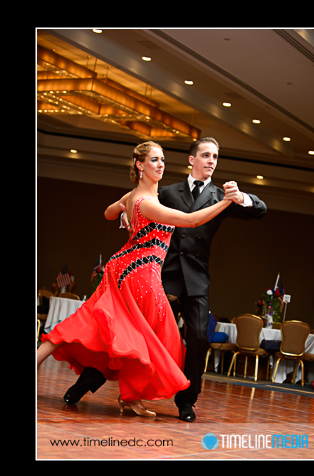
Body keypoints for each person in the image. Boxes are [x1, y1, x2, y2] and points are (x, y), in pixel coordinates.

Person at [59, 137, 268, 422]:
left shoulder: (222, 196)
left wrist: (241, 197)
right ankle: (82, 387)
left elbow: (260, 210)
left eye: (215, 157)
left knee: (197, 340)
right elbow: (133, 205)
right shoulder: (165, 192)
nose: (211, 161)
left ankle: (186, 403)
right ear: (191, 159)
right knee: (128, 334)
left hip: (196, 282)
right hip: (159, 279)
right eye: (205, 155)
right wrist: (124, 214)